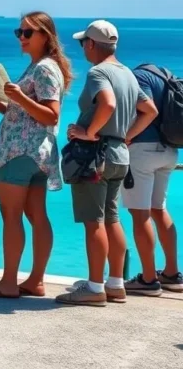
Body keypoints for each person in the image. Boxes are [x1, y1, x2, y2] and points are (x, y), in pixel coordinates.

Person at [55, 20, 159, 307]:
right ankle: (115, 283)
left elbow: (108, 103)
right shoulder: (127, 73)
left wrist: (87, 133)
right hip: (118, 155)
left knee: (94, 221)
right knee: (113, 219)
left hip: (94, 157)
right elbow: (149, 110)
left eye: (82, 43)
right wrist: (125, 137)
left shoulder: (97, 72)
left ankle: (94, 286)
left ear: (90, 44)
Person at [0, 12, 71, 299]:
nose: (22, 38)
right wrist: (4, 107)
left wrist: (18, 99)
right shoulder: (42, 67)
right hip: (36, 152)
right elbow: (32, 117)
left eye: (28, 32)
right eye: (20, 32)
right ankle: (35, 280)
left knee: (12, 215)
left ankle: (8, 282)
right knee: (36, 215)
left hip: (20, 153)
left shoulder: (43, 69)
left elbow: (51, 116)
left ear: (46, 36)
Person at [122, 63, 182, 295]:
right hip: (169, 149)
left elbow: (149, 111)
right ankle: (172, 273)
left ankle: (148, 279)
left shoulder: (137, 76)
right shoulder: (168, 76)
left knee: (140, 213)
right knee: (159, 208)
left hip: (143, 150)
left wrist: (128, 136)